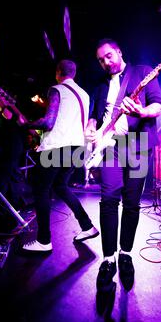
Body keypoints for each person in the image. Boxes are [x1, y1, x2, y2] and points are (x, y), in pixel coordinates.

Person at [85, 39, 161, 291]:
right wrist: (90, 129)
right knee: (108, 198)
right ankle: (108, 259)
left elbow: (158, 105)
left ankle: (125, 254)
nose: (105, 62)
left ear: (119, 52)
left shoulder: (141, 72)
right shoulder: (99, 85)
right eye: (100, 60)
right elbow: (95, 116)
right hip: (110, 146)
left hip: (138, 144)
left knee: (131, 203)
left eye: (109, 56)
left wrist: (141, 112)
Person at [20, 59, 99, 252]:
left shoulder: (57, 90)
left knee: (41, 190)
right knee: (61, 186)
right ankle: (87, 226)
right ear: (74, 73)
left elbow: (48, 122)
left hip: (57, 148)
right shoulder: (84, 94)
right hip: (76, 148)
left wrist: (25, 124)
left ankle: (44, 241)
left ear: (58, 72)